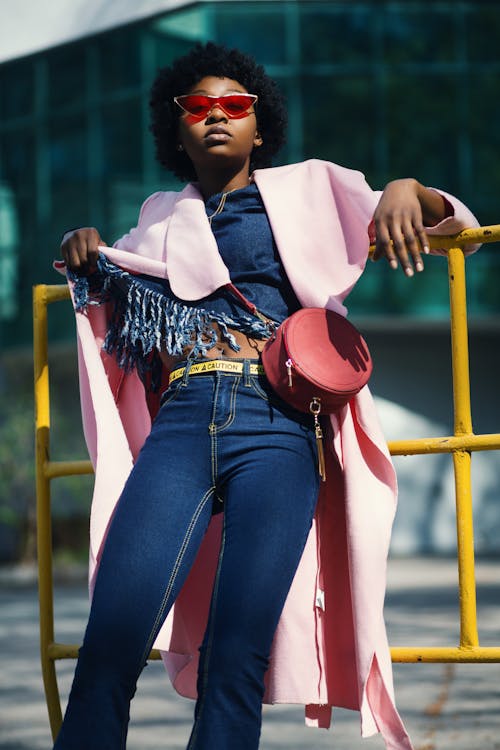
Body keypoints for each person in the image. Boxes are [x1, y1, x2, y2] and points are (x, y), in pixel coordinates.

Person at [55, 42, 479, 750]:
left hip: (279, 426)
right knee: (111, 639)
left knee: (236, 657)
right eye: (198, 107)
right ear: (177, 126)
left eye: (234, 106)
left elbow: (450, 226)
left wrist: (410, 188)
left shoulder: (311, 189)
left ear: (260, 123)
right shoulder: (158, 215)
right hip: (183, 423)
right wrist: (80, 246)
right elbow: (112, 279)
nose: (216, 116)